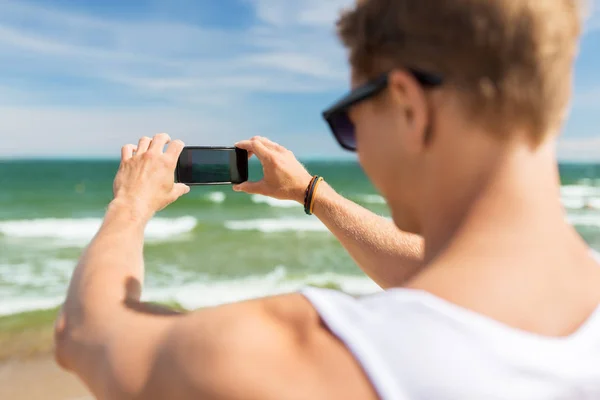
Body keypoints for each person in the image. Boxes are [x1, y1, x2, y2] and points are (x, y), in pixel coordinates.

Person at [54, 0, 600, 399]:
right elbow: (436, 276)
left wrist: (130, 204)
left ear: (410, 108)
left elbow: (85, 332)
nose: (357, 148)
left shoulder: (309, 355)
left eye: (350, 123)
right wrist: (311, 193)